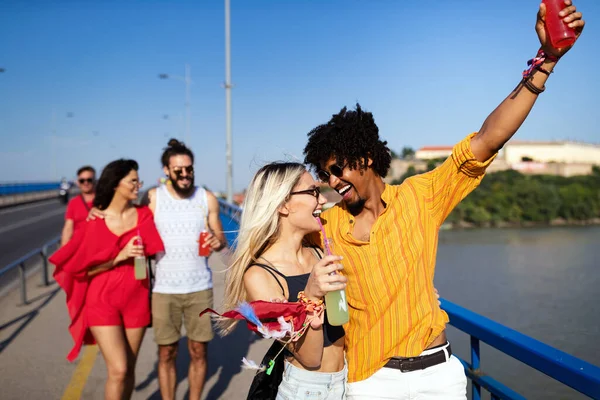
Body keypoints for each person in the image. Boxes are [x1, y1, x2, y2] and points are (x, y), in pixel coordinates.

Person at [301, 3, 585, 399]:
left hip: (439, 376)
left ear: (364, 157)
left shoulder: (421, 196)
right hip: (370, 382)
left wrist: (548, 60)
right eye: (326, 174)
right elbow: (270, 237)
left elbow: (487, 139)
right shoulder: (326, 226)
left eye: (337, 169)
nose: (332, 181)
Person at [221, 162, 348, 399]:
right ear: (282, 204)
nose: (322, 201)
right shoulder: (260, 276)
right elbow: (310, 357)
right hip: (308, 389)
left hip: (347, 379)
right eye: (313, 192)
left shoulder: (320, 252)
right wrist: (310, 296)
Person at [50, 159, 164, 400]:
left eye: (138, 180)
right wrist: (118, 257)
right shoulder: (95, 222)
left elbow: (158, 247)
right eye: (133, 180)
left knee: (129, 368)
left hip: (138, 298)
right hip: (102, 300)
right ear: (116, 184)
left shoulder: (144, 215)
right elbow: (80, 271)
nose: (138, 185)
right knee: (118, 369)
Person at [147, 139, 227, 400]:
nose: (185, 174)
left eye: (189, 169)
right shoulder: (153, 198)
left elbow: (220, 239)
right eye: (178, 170)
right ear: (166, 171)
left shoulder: (206, 198)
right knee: (166, 353)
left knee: (198, 352)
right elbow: (129, 223)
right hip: (164, 289)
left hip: (199, 288)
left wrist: (217, 241)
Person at [61, 165, 96, 246]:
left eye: (89, 180)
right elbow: (68, 228)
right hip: (79, 248)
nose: (86, 183)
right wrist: (63, 251)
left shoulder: (104, 200)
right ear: (78, 182)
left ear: (94, 181)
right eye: (82, 180)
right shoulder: (73, 203)